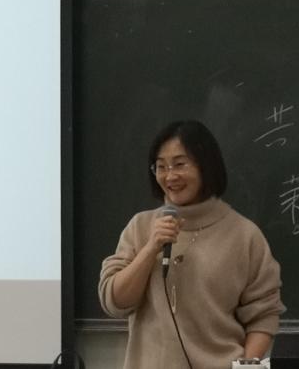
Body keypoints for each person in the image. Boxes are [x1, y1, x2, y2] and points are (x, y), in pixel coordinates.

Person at [98, 120, 284, 369]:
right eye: (161, 167)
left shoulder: (244, 235)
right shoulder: (141, 227)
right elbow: (115, 302)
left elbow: (263, 315)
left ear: (206, 165)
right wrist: (151, 247)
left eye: (179, 164)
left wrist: (247, 366)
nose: (170, 176)